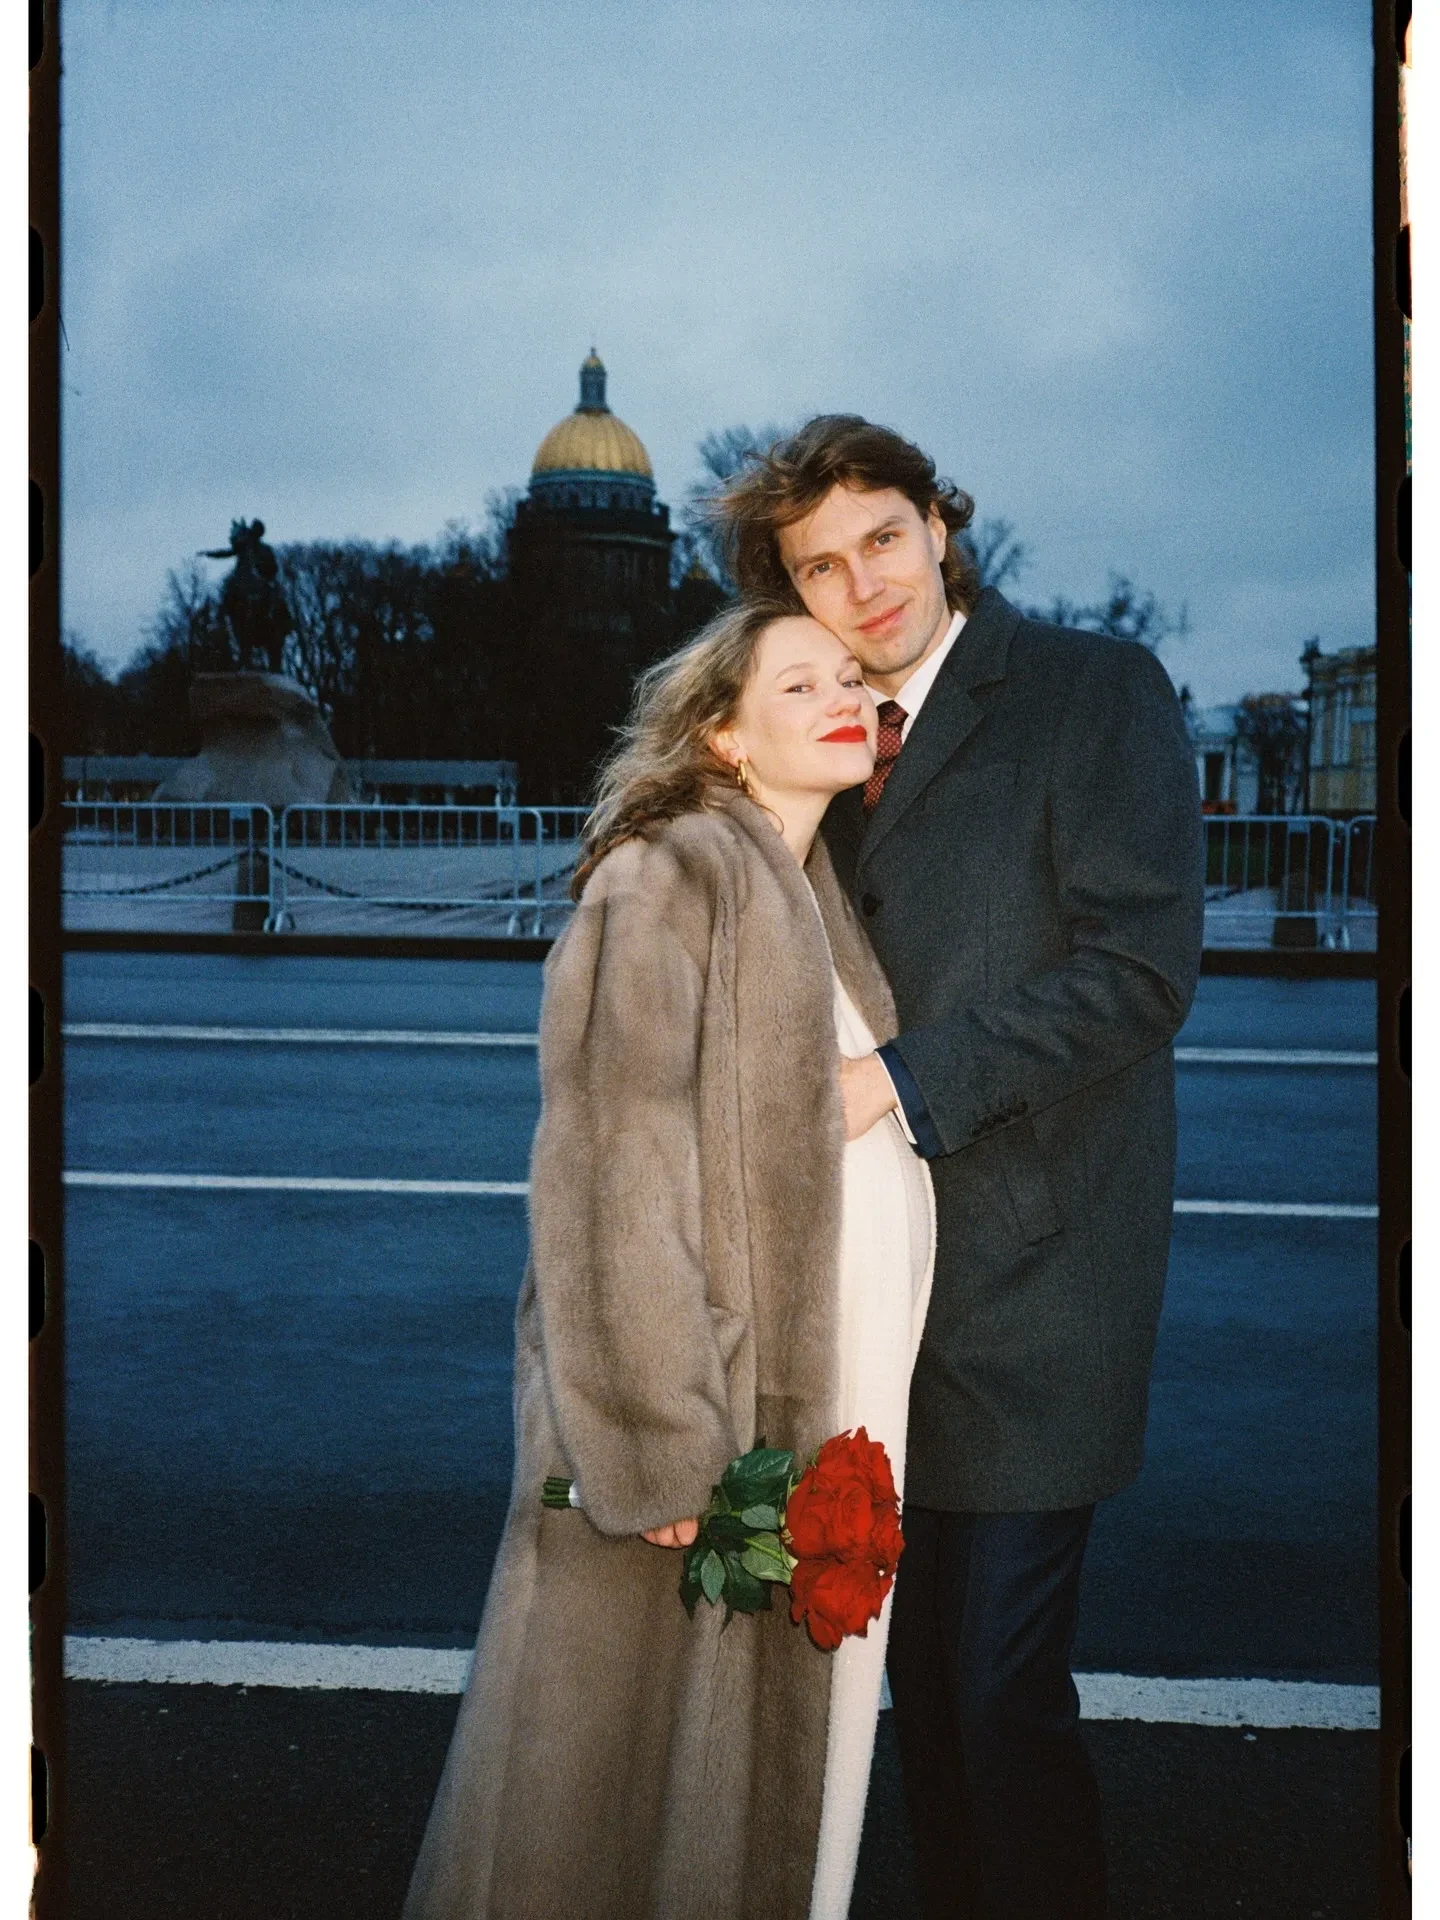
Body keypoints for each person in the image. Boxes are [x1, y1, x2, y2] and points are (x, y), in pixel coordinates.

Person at [713, 416, 1205, 1919]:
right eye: (820, 566)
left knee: (996, 1694)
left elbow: (1140, 971)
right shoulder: (817, 722)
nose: (862, 583)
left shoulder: (1089, 690)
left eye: (882, 537)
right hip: (874, 1297)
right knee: (921, 1696)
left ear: (939, 525)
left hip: (1036, 1286)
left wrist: (901, 1081)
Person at [403, 598, 934, 1920]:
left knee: (739, 1777)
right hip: (698, 1411)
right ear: (721, 734)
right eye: (799, 684)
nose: (845, 696)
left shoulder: (807, 891)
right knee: (607, 1798)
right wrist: (657, 1437)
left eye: (852, 678)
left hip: (807, 1390)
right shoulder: (670, 878)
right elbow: (608, 1173)